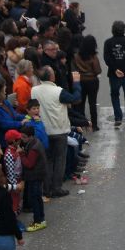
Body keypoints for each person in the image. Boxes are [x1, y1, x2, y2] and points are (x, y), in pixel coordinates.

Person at [30, 66, 81, 198]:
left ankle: (47, 189)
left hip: (43, 130)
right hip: (59, 130)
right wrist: (76, 83)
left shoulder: (34, 90)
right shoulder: (58, 91)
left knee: (48, 160)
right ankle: (56, 187)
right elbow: (76, 98)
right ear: (51, 77)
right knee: (60, 160)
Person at [103, 21, 125, 130]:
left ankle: (118, 117)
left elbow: (107, 58)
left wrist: (115, 69)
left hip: (114, 74)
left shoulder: (108, 42)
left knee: (114, 95)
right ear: (124, 30)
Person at [19, 125, 47, 232]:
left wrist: (21, 154)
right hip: (36, 175)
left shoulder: (34, 147)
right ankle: (41, 219)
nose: (22, 139)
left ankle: (38, 221)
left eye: (24, 137)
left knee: (35, 198)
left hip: (35, 175)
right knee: (37, 197)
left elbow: (29, 164)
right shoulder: (34, 142)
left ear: (30, 136)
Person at [74, 35, 101, 131]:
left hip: (81, 80)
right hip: (92, 81)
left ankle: (82, 123)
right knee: (92, 103)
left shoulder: (76, 56)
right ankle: (94, 125)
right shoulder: (93, 57)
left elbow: (74, 69)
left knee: (81, 103)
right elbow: (98, 70)